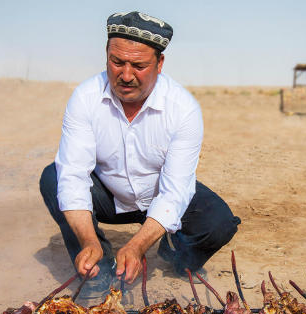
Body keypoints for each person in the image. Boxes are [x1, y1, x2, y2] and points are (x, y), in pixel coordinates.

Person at [39, 11, 240, 290]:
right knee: (54, 177)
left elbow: (175, 191)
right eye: (116, 62)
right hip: (108, 195)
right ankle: (98, 267)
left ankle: (177, 255)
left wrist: (137, 246)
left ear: (160, 64)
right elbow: (74, 176)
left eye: (138, 65)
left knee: (218, 222)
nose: (125, 75)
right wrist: (88, 240)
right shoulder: (85, 98)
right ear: (106, 56)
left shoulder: (183, 109)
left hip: (158, 192)